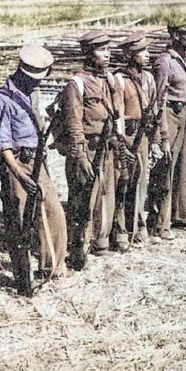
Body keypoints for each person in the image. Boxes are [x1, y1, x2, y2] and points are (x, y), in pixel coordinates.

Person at [0, 44, 69, 295]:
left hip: (36, 160)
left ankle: (53, 266)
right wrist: (17, 172)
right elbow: (0, 141)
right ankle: (22, 278)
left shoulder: (30, 93)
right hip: (17, 163)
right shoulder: (3, 98)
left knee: (53, 211)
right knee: (22, 221)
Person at [56, 30, 127, 269]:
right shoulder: (76, 84)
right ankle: (79, 247)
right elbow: (74, 123)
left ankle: (101, 241)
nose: (106, 55)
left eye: (108, 49)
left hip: (106, 146)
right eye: (100, 50)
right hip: (87, 149)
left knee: (104, 195)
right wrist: (81, 155)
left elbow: (115, 114)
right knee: (82, 199)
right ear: (88, 54)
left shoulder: (108, 81)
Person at [114, 32, 165, 245]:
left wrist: (155, 141)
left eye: (147, 50)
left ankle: (137, 224)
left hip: (143, 135)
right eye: (141, 51)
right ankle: (120, 228)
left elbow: (153, 111)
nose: (147, 55)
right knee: (122, 182)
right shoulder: (119, 79)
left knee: (141, 182)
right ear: (129, 54)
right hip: (126, 136)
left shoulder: (149, 78)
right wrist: (119, 142)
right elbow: (116, 113)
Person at [150, 23, 186, 239]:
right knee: (166, 171)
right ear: (175, 36)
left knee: (185, 169)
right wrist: (161, 135)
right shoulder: (164, 62)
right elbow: (158, 100)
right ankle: (161, 224)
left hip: (185, 113)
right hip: (169, 114)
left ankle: (183, 217)